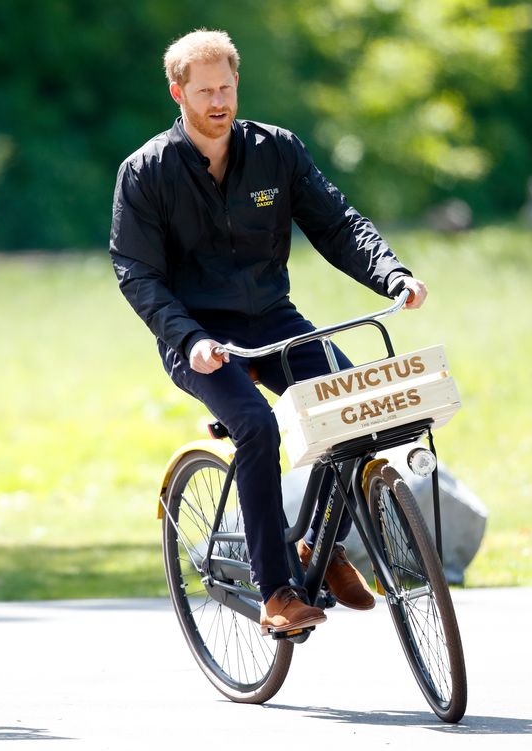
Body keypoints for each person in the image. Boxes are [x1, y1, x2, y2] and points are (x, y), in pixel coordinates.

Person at [109, 29, 427, 636]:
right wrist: (189, 338)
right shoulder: (146, 172)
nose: (218, 101)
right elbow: (138, 274)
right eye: (204, 91)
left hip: (274, 320)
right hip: (198, 337)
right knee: (255, 425)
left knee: (353, 406)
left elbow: (337, 225)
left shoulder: (276, 151)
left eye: (226, 87)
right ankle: (276, 592)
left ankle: (317, 544)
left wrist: (392, 274)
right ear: (178, 93)